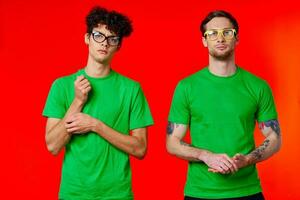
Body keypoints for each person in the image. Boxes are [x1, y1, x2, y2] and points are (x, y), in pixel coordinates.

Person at [166, 10, 281, 200]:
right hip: (200, 192)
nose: (220, 38)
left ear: (236, 39)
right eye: (212, 33)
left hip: (248, 190)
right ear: (204, 41)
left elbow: (274, 136)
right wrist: (206, 155)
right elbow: (172, 142)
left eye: (227, 32)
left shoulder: (258, 86)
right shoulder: (186, 87)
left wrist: (248, 160)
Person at [43, 6, 153, 200]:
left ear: (118, 46)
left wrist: (96, 125)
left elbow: (140, 148)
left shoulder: (131, 89)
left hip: (117, 194)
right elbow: (52, 146)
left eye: (112, 39)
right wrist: (78, 101)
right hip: (74, 193)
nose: (104, 43)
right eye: (98, 36)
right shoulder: (61, 86)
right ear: (87, 38)